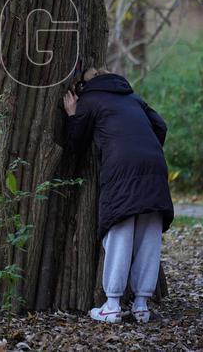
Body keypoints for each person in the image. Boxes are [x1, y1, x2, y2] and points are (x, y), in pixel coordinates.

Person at [58, 66, 173, 324]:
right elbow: (161, 126)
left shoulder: (90, 99)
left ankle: (112, 305)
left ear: (86, 85)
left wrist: (72, 115)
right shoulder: (133, 98)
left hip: (122, 168)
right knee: (148, 234)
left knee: (119, 231)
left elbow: (75, 145)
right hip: (154, 165)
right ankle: (142, 305)